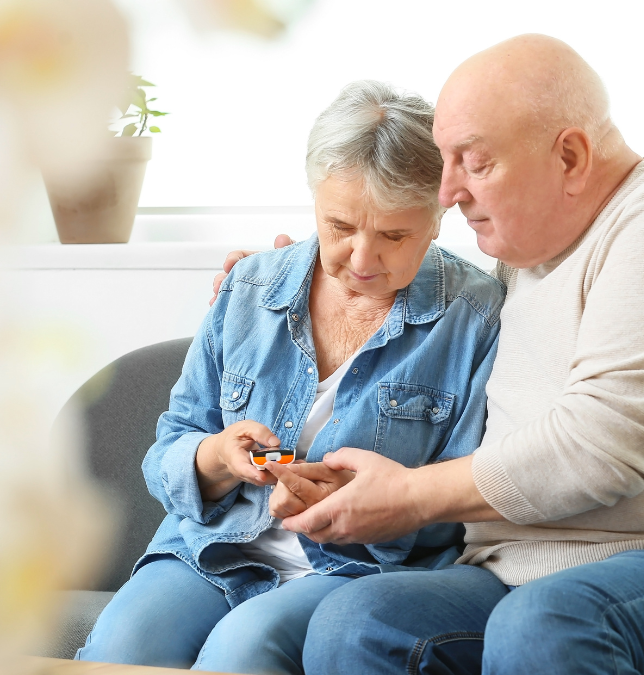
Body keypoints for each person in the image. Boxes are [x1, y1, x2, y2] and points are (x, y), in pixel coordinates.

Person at [221, 34, 644, 675]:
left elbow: (599, 451)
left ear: (570, 156)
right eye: (445, 163)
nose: (448, 193)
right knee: (357, 620)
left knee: (543, 625)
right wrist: (299, 276)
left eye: (473, 163)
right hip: (518, 575)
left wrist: (411, 496)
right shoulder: (522, 261)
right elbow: (412, 291)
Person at [78, 80, 504, 674]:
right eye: (340, 226)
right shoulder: (251, 287)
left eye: (394, 235)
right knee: (124, 642)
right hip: (214, 548)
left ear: (438, 215)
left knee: (244, 648)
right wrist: (216, 458)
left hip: (358, 568)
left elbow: (468, 500)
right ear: (313, 200)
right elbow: (171, 442)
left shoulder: (476, 317)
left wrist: (365, 506)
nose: (360, 259)